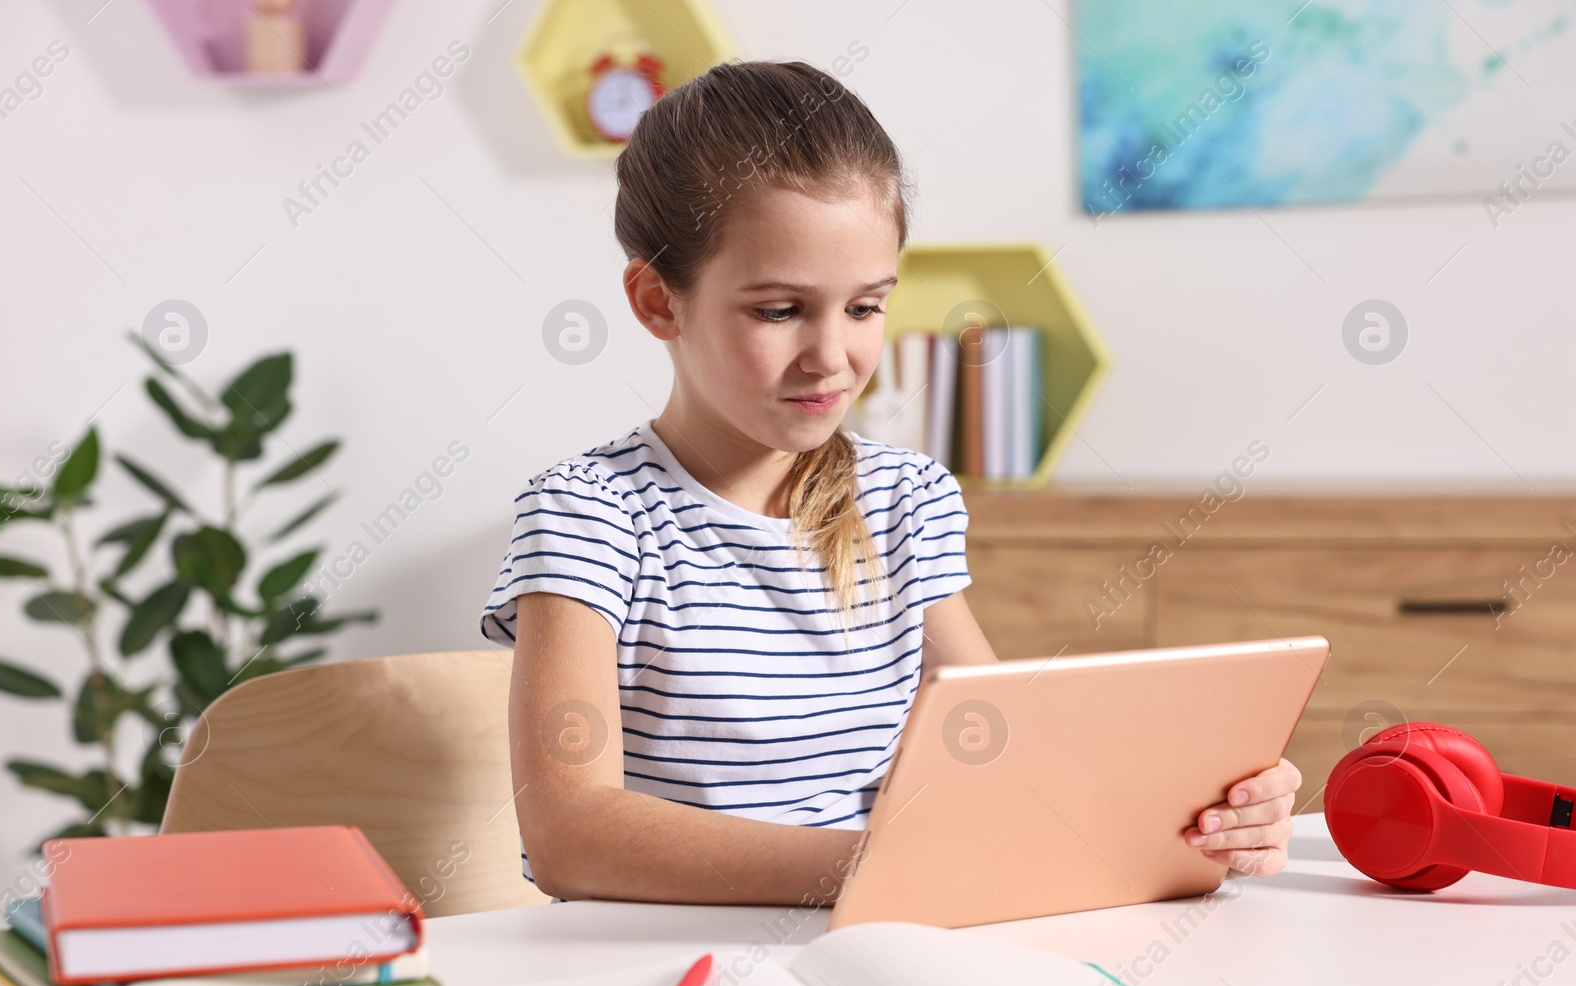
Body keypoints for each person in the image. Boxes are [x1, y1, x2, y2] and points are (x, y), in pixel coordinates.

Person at [480, 59, 1300, 905]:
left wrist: (1207, 813)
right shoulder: (591, 514)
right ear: (658, 301)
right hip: (678, 957)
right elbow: (571, 835)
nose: (832, 357)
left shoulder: (905, 500)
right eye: (778, 310)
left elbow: (1001, 752)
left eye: (865, 307)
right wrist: (885, 865)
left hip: (885, 931)